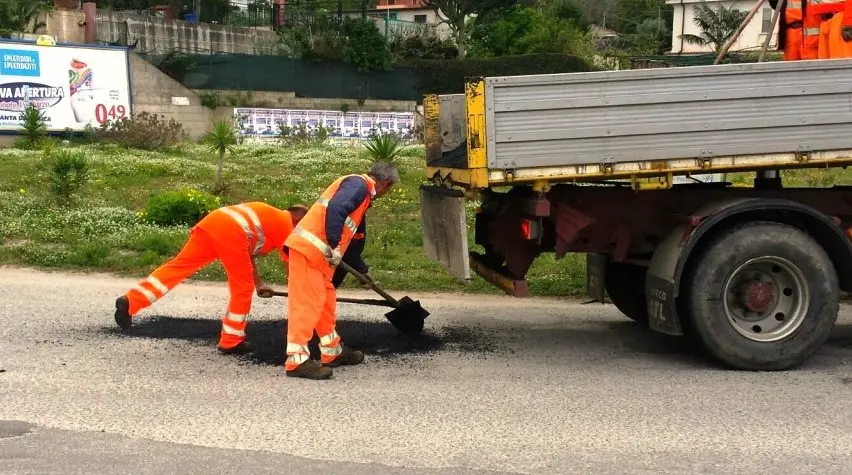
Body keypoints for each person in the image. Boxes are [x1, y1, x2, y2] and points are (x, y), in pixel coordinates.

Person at [113, 202, 309, 355]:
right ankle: (231, 341)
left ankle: (131, 301)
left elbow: (247, 257)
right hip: (232, 232)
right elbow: (292, 264)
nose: (302, 233)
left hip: (212, 224)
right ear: (298, 219)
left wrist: (259, 284)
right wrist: (303, 293)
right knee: (242, 287)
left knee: (178, 266)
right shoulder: (285, 223)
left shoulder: (267, 216)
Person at [282, 162, 399, 380]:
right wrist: (334, 245)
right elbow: (336, 209)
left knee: (325, 303)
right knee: (307, 305)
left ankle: (332, 351)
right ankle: (296, 361)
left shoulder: (362, 198)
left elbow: (353, 244)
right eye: (389, 190)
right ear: (386, 183)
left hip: (322, 259)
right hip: (309, 252)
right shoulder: (359, 185)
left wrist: (363, 272)